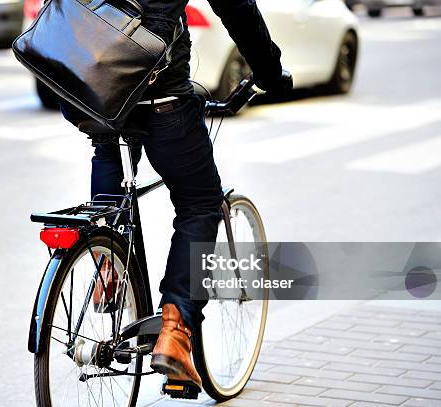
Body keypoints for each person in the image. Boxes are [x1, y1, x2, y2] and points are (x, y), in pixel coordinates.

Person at [60, 0, 291, 395]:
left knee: (107, 152)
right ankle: (175, 330)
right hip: (159, 94)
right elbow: (237, 7)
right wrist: (268, 70)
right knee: (200, 204)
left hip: (91, 83)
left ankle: (107, 266)